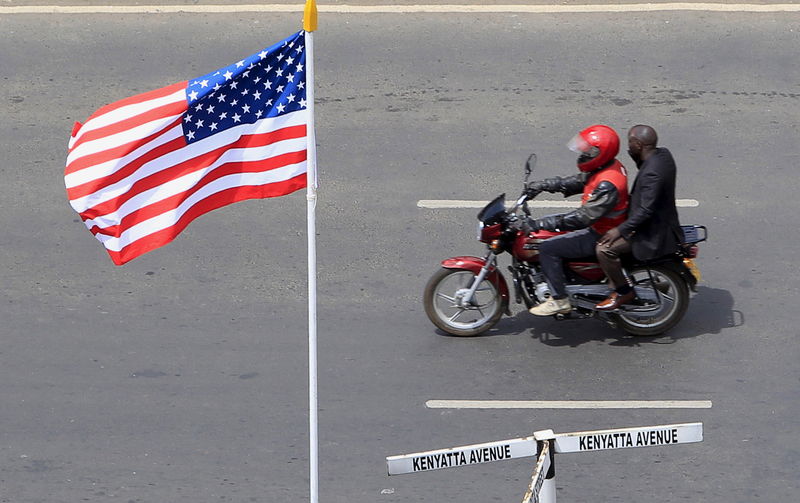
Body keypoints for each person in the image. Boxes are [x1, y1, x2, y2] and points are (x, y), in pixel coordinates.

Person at [526, 124, 629, 316]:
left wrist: (540, 224)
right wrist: (544, 185)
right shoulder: (605, 167)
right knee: (551, 231)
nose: (584, 154)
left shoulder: (608, 183)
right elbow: (579, 181)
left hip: (602, 233)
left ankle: (559, 299)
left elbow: (583, 218)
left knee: (548, 247)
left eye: (589, 151)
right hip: (602, 227)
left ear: (602, 152)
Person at [594, 125, 683, 310]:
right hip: (660, 221)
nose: (628, 146)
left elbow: (646, 210)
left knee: (605, 249)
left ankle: (623, 291)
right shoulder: (663, 156)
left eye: (630, 142)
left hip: (653, 232)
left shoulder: (652, 173)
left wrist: (619, 230)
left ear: (639, 144)